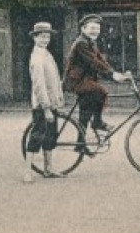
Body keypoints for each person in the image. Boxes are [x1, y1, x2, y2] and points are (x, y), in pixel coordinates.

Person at [64, 14, 129, 148]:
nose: (95, 31)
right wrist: (112, 75)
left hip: (85, 80)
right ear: (83, 29)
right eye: (92, 28)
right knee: (101, 91)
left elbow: (101, 61)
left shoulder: (91, 42)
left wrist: (116, 74)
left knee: (85, 114)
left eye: (97, 29)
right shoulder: (81, 43)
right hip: (78, 81)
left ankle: (80, 145)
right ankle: (97, 122)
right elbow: (93, 62)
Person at [25, 21, 66, 179]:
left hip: (51, 103)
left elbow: (53, 80)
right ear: (35, 38)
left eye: (47, 36)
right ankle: (27, 171)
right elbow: (39, 85)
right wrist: (46, 108)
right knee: (37, 136)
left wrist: (57, 102)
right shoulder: (37, 57)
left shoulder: (46, 54)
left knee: (50, 136)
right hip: (42, 105)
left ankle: (48, 169)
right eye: (41, 37)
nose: (45, 39)